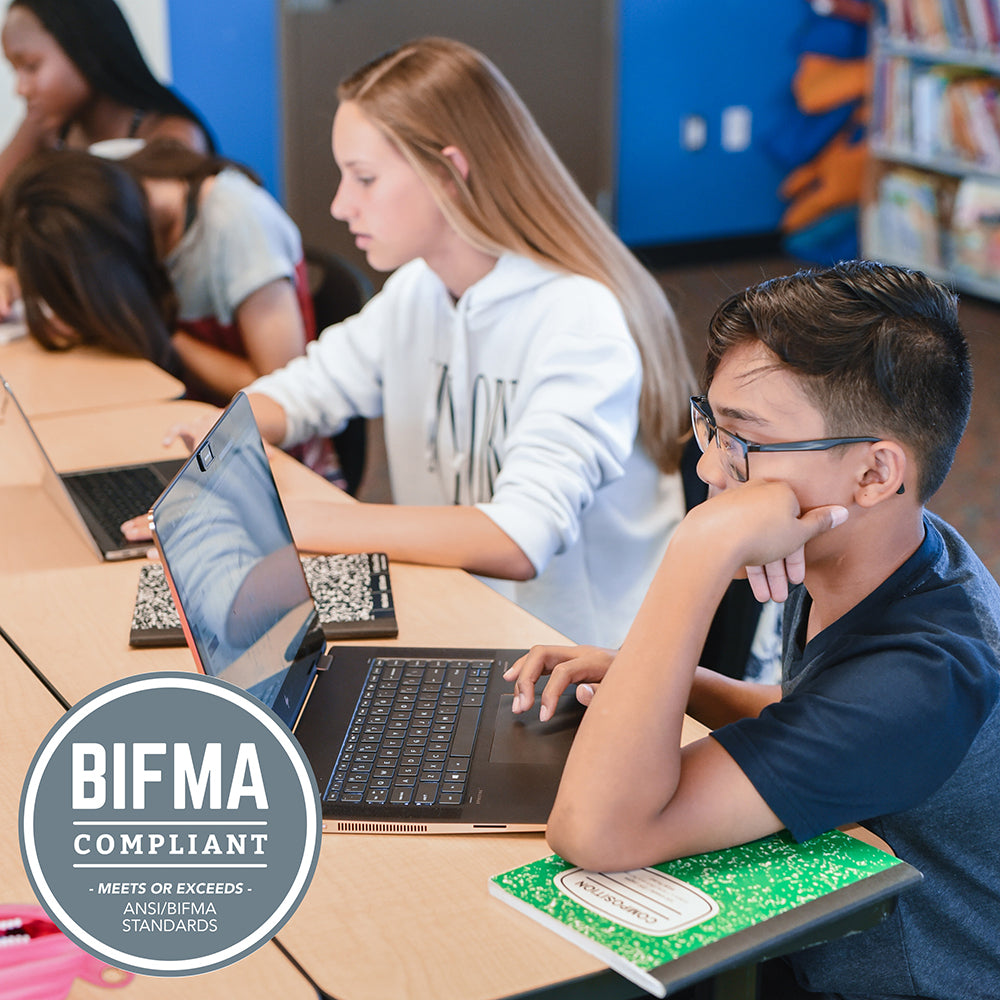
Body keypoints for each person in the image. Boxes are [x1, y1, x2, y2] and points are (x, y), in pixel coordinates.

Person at [508, 260, 1000, 999]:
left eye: (743, 438)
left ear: (874, 474)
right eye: (712, 422)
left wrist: (698, 552)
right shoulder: (887, 550)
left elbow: (599, 832)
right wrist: (656, 677)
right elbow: (815, 716)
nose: (710, 465)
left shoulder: (925, 674)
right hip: (823, 936)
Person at [148, 36, 695, 649]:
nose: (339, 203)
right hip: (465, 612)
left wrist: (301, 524)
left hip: (576, 657)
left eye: (365, 178)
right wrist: (220, 448)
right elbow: (308, 388)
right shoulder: (420, 290)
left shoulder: (579, 318)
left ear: (449, 172)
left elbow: (519, 539)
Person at [0, 142, 315, 406]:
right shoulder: (109, 178)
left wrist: (154, 330)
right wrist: (12, 273)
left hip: (255, 446)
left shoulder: (238, 222)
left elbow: (280, 389)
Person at [0, 0, 214, 317]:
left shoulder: (173, 137)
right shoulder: (51, 128)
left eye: (31, 67)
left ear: (86, 52)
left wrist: (25, 272)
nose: (21, 88)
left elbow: (112, 255)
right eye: (15, 71)